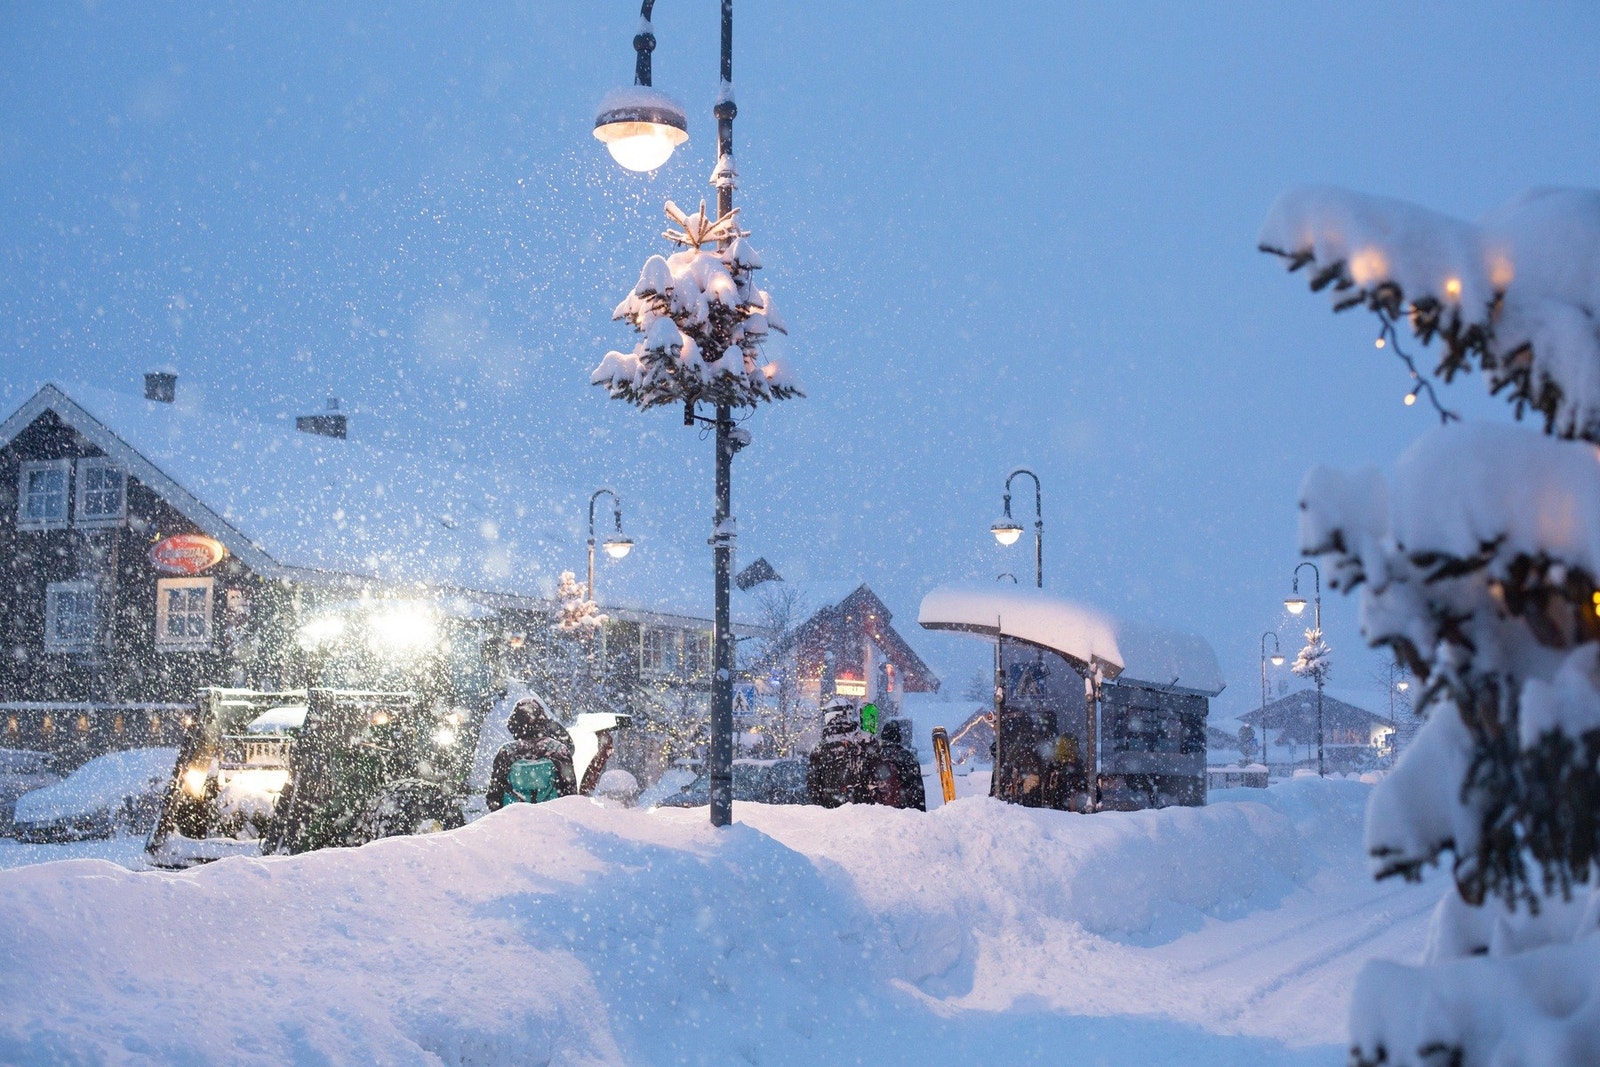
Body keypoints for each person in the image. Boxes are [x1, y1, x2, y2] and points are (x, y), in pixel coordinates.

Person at [486, 697, 578, 810]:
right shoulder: (558, 750)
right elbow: (571, 796)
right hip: (553, 820)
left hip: (514, 822)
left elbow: (493, 797)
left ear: (514, 725)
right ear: (543, 722)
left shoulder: (506, 753)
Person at [807, 700, 875, 808]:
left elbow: (813, 784)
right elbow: (874, 768)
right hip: (861, 807)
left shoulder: (820, 747)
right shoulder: (861, 740)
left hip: (831, 807)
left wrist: (821, 804)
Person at [873, 719, 927, 811]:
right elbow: (917, 786)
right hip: (902, 809)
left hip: (879, 811)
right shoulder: (906, 756)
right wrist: (920, 810)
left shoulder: (875, 756)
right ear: (898, 737)